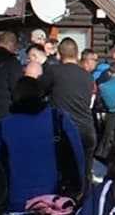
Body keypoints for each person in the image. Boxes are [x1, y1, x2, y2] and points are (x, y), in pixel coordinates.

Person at [0, 78, 86, 212]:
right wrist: (78, 188)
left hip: (15, 202)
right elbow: (77, 155)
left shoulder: (2, 126)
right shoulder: (59, 119)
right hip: (54, 201)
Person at [40, 39, 98, 182]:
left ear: (59, 54)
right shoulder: (87, 76)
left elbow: (38, 91)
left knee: (61, 175)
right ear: (77, 54)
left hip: (63, 130)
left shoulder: (53, 71)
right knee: (84, 175)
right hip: (87, 129)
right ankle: (85, 200)